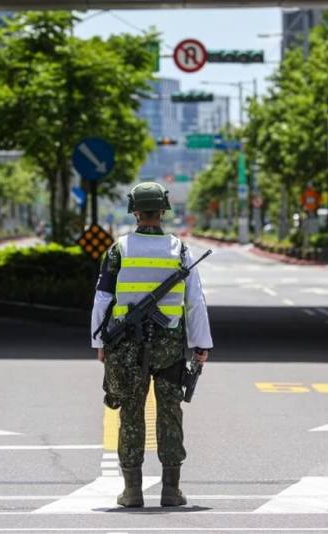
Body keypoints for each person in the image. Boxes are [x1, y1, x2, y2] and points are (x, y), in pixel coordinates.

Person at [91, 182, 213, 508]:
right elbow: (195, 303)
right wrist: (201, 344)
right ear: (163, 211)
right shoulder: (180, 250)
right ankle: (171, 490)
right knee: (169, 414)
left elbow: (102, 300)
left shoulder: (118, 250)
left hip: (126, 348)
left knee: (131, 414)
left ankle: (132, 491)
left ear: (134, 210)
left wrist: (99, 341)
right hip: (170, 347)